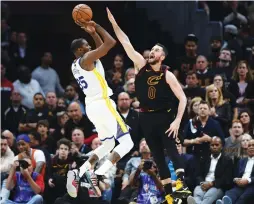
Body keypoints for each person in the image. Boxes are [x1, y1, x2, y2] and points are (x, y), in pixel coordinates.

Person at [107, 8, 190, 203]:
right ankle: (169, 194)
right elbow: (125, 42)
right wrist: (114, 24)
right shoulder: (140, 65)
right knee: (158, 158)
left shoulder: (167, 74)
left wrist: (177, 121)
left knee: (171, 150)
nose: (152, 52)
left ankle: (182, 185)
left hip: (164, 116)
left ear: (163, 56)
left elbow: (183, 98)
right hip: (145, 117)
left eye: (156, 50)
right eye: (151, 49)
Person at [68, 13, 134, 197]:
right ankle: (98, 173)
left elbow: (99, 48)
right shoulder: (87, 59)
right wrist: (96, 25)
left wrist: (92, 33)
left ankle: (80, 173)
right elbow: (110, 43)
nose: (90, 47)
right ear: (81, 51)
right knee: (127, 142)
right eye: (86, 46)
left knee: (107, 144)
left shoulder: (78, 63)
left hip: (92, 106)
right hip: (104, 104)